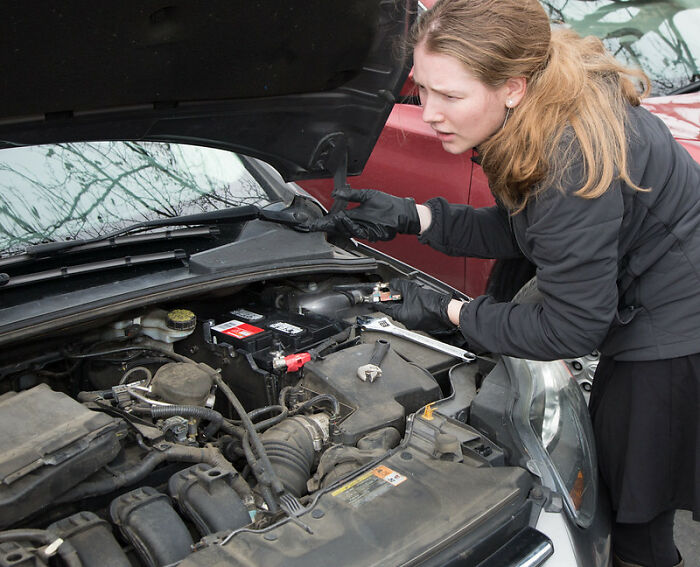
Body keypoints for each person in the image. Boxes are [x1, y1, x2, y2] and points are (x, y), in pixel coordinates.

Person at [309, 1, 700, 566]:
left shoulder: (568, 158)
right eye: (423, 89)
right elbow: (528, 229)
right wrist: (414, 216)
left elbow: (570, 327)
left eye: (450, 96)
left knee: (635, 510)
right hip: (661, 293)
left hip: (678, 330)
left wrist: (449, 311)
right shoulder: (543, 103)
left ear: (512, 87)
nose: (429, 113)